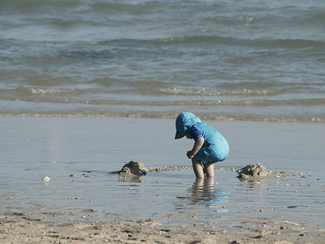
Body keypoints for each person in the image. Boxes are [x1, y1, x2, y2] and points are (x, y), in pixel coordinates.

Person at [175, 112, 229, 178]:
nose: (186, 137)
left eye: (184, 134)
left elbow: (200, 140)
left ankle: (200, 179)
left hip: (214, 149)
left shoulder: (193, 128)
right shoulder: (204, 126)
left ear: (185, 128)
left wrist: (192, 153)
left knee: (195, 159)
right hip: (225, 149)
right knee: (208, 161)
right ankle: (210, 179)